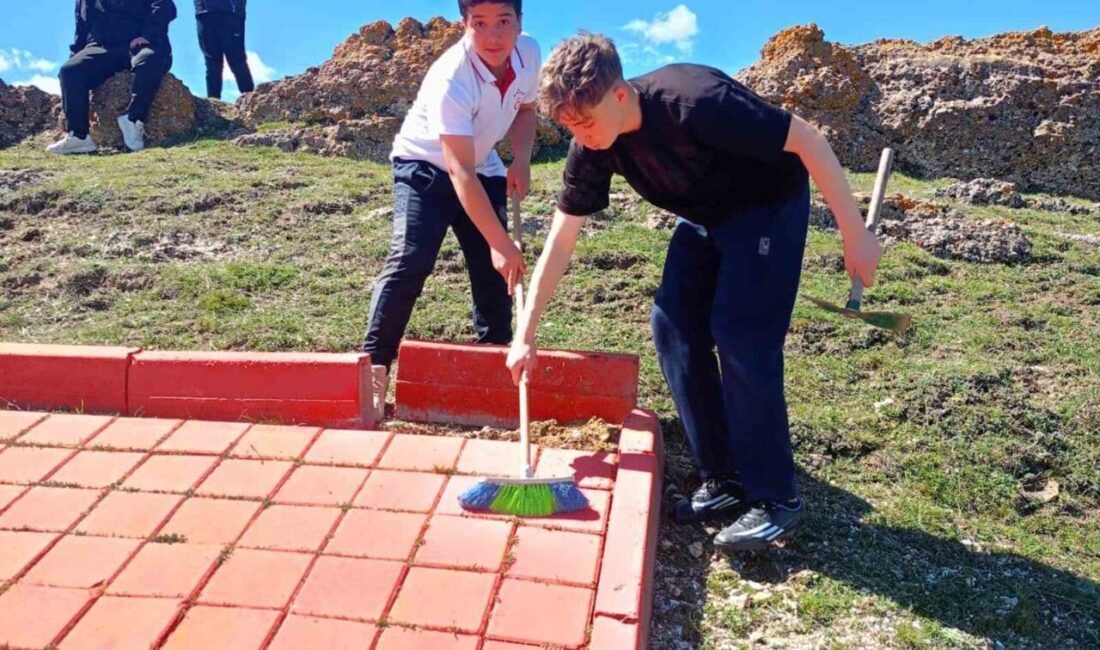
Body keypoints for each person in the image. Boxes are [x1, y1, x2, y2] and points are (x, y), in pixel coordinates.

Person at [506, 33, 884, 551]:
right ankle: (724, 478)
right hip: (706, 215)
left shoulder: (696, 100)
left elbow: (809, 140)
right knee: (672, 325)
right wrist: (525, 334)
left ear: (619, 95)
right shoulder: (591, 146)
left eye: (586, 121)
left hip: (766, 206)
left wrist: (855, 234)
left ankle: (775, 498)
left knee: (740, 333)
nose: (581, 135)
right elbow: (561, 239)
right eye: (569, 125)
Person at [362, 0, 541, 423]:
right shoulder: (451, 76)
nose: (493, 36)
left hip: (481, 165)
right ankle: (373, 368)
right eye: (479, 24)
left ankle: (495, 363)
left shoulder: (529, 52)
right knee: (411, 259)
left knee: (494, 272)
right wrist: (500, 241)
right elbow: (457, 170)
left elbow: (528, 110)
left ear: (520, 23)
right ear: (464, 24)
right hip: (425, 166)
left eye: (504, 22)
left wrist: (521, 159)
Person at [49, 0, 178, 154]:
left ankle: (133, 119)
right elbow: (81, 32)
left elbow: (164, 6)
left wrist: (148, 35)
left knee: (149, 61)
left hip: (138, 43)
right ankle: (78, 137)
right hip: (101, 49)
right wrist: (74, 60)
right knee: (70, 71)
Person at [194, 0, 254, 100]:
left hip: (231, 13)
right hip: (204, 13)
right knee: (212, 62)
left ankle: (251, 102)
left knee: (237, 60)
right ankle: (213, 104)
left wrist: (238, 11)